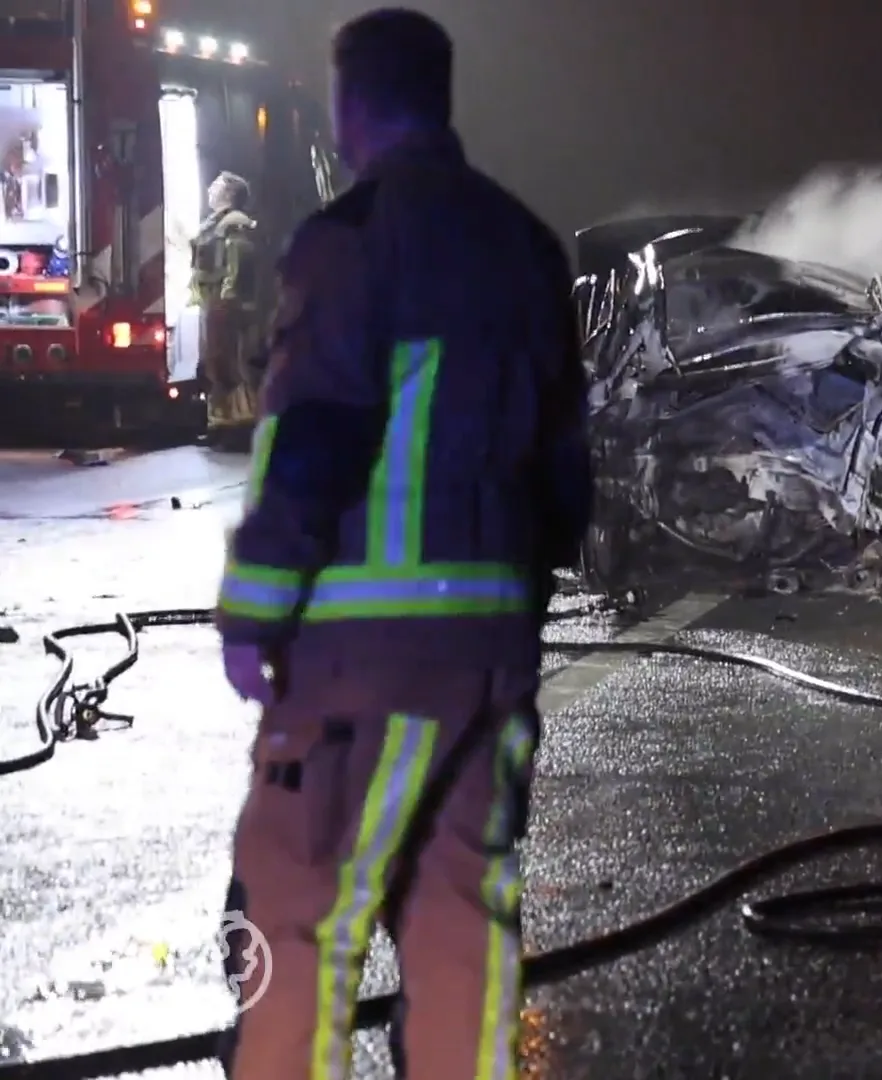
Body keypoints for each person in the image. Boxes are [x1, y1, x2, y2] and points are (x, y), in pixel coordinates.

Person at [212, 8, 590, 1078]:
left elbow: (316, 434)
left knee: (296, 926)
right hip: (492, 657)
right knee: (463, 934)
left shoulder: (353, 240)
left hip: (361, 655)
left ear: (353, 103)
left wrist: (254, 613)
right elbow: (567, 480)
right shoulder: (524, 246)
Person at [190, 171, 261, 449]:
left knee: (230, 363)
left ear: (229, 192)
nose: (210, 188)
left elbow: (238, 261)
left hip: (226, 303)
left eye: (216, 185)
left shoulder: (234, 223)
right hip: (213, 300)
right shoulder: (215, 224)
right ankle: (220, 423)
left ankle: (241, 423)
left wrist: (229, 295)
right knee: (215, 363)